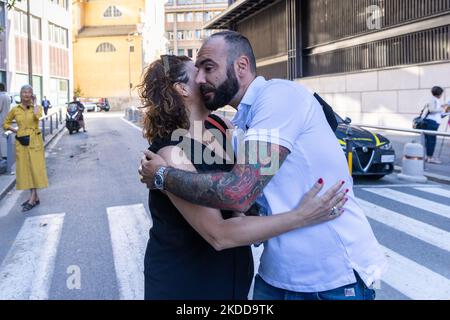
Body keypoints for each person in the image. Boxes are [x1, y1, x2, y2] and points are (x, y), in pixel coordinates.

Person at [140, 31, 387, 300]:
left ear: (241, 66)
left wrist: (162, 176)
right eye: (196, 71)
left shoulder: (274, 100)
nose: (201, 78)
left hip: (330, 279)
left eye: (208, 68)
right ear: (181, 89)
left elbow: (239, 193)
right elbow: (229, 220)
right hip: (256, 279)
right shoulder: (238, 125)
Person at [2, 85, 48, 212]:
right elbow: (5, 123)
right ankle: (35, 197)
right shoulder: (15, 109)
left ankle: (32, 198)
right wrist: (15, 130)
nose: (26, 95)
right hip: (21, 142)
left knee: (35, 169)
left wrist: (35, 102)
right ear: (20, 94)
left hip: (35, 141)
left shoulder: (36, 108)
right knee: (26, 169)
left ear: (32, 95)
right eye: (24, 92)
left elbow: (37, 117)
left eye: (29, 93)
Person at [423, 86, 450, 164]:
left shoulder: (436, 100)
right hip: (431, 123)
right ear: (439, 93)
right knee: (431, 141)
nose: (441, 94)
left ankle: (428, 156)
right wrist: (442, 108)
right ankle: (429, 158)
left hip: (433, 123)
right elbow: (432, 110)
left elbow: (438, 114)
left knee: (430, 141)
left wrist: (446, 112)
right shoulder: (433, 100)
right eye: (441, 93)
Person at [0, 83, 11, 160]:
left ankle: (4, 156)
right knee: (5, 136)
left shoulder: (1, 96)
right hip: (7, 119)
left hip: (1, 120)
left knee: (2, 137)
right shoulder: (7, 96)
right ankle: (6, 154)